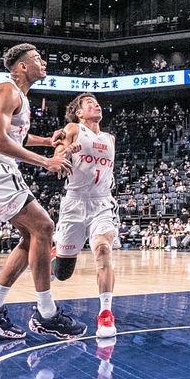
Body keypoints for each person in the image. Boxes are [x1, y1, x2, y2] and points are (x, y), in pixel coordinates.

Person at [0, 43, 83, 341]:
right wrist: (47, 160)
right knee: (44, 226)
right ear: (21, 67)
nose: (43, 62)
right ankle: (46, 315)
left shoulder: (20, 98)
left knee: (32, 234)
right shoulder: (7, 91)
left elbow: (16, 134)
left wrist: (46, 141)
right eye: (37, 59)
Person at [50, 93, 122, 338]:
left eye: (97, 101)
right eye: (89, 102)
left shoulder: (110, 137)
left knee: (103, 249)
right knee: (62, 273)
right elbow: (58, 156)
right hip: (74, 204)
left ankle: (105, 314)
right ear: (79, 113)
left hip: (102, 203)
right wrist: (67, 150)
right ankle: (55, 255)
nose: (96, 104)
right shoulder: (72, 128)